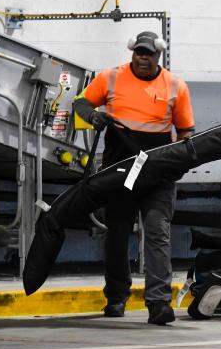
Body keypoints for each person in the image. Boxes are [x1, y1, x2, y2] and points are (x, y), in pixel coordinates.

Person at [73, 31, 194, 325]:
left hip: (157, 176)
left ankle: (158, 303)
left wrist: (179, 164)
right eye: (139, 52)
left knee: (157, 234)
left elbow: (186, 133)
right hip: (120, 172)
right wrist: (92, 117)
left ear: (158, 56)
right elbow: (81, 103)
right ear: (133, 53)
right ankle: (116, 297)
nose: (143, 57)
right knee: (116, 234)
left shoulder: (176, 87)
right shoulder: (110, 77)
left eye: (148, 53)